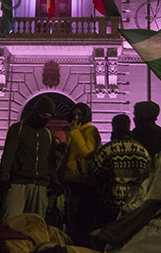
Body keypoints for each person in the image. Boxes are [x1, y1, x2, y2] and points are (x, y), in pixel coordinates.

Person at [0, 96, 59, 222]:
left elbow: (50, 161)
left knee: (36, 226)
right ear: (36, 113)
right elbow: (8, 155)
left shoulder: (48, 135)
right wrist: (3, 177)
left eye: (49, 117)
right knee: (11, 223)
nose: (46, 119)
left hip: (41, 185)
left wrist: (54, 180)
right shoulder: (18, 129)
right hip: (18, 182)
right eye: (44, 116)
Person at [90, 114, 151, 225]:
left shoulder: (107, 150)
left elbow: (94, 173)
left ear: (113, 127)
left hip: (111, 205)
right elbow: (149, 175)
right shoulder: (142, 150)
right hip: (135, 204)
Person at [59, 102, 101, 247]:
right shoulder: (75, 131)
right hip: (70, 181)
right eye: (74, 114)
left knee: (80, 222)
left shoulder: (90, 130)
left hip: (83, 183)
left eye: (80, 115)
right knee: (70, 221)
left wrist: (75, 133)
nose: (76, 117)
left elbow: (87, 152)